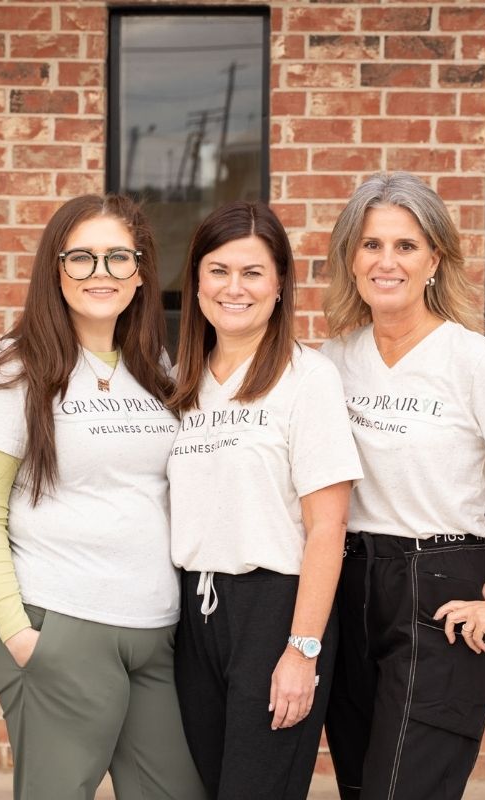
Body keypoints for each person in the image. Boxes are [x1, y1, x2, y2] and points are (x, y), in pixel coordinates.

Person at [319, 171, 485, 800]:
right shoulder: (330, 362)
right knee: (362, 786)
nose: (386, 261)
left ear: (434, 259)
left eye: (406, 245)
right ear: (351, 259)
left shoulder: (473, 360)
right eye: (370, 244)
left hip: (437, 589)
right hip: (347, 582)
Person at [0, 194, 205, 800]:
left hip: (157, 631)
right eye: (82, 259)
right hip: (62, 624)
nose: (101, 274)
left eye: (118, 258)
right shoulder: (14, 369)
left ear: (142, 270)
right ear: (56, 269)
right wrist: (21, 635)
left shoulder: (159, 369)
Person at [167, 201, 363, 799]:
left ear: (279, 285)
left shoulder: (308, 378)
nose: (235, 287)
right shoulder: (181, 380)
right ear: (196, 282)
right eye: (219, 270)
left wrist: (302, 650)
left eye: (253, 272)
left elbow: (328, 527)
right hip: (194, 612)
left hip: (274, 609)